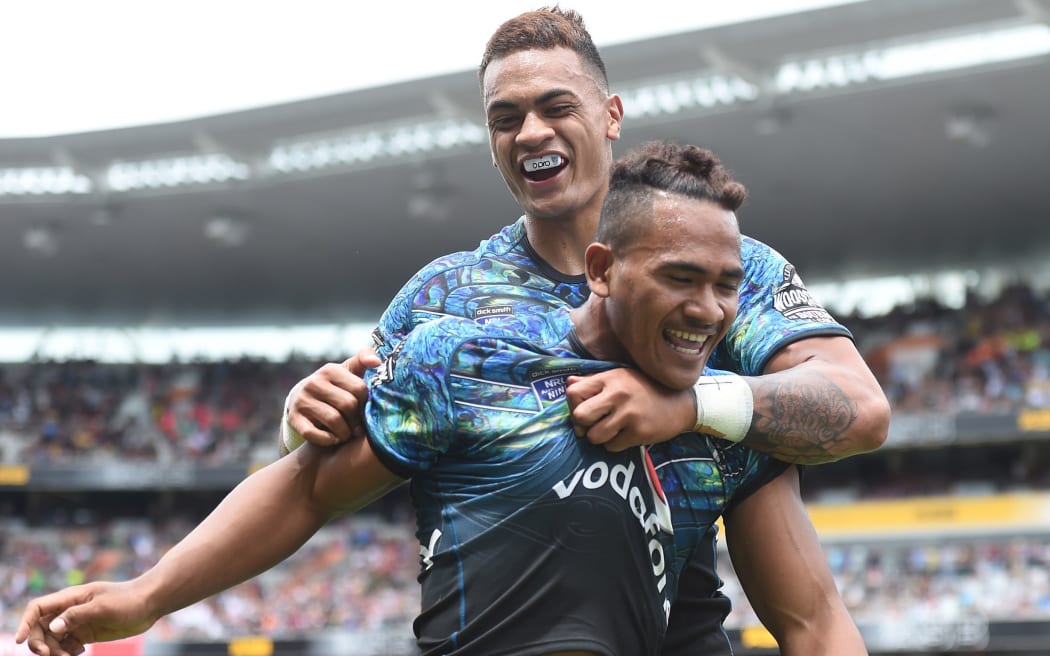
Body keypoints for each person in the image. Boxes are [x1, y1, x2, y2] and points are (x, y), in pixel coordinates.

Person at [15, 142, 859, 656]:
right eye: (683, 279)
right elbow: (309, 484)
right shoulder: (459, 353)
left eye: (724, 287)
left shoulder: (731, 413)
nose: (712, 309)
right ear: (603, 271)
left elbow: (814, 618)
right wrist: (148, 595)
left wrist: (697, 405)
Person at [279, 7, 888, 655]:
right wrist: (297, 416)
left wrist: (688, 407)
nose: (530, 133)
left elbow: (860, 408)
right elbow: (317, 469)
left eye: (555, 108)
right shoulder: (444, 301)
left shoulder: (730, 269)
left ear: (610, 116)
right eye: (505, 118)